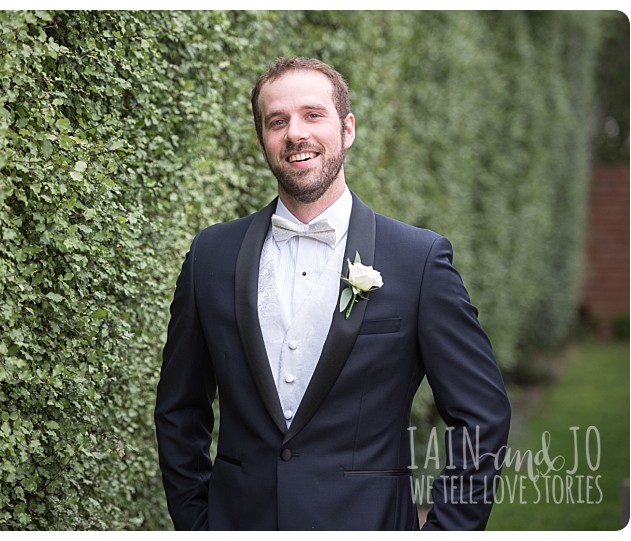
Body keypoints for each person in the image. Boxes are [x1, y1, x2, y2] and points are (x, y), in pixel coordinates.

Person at [154, 57, 511, 531]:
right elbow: (180, 411)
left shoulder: (418, 260)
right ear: (262, 138)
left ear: (347, 129)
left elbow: (481, 417)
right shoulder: (210, 256)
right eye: (276, 121)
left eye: (312, 115)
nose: (295, 133)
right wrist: (197, 523)